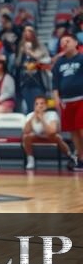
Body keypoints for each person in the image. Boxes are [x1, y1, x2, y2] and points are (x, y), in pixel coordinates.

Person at [52, 35, 83, 171]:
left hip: (81, 99)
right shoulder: (59, 63)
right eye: (62, 42)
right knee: (74, 132)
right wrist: (56, 98)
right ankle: (81, 159)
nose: (64, 44)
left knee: (82, 130)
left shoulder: (82, 58)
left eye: (67, 41)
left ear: (76, 42)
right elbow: (55, 84)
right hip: (66, 102)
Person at [23, 95, 75, 170]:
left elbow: (52, 131)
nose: (39, 106)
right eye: (37, 104)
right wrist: (33, 117)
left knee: (56, 137)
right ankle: (30, 159)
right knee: (26, 137)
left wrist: (42, 119)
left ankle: (70, 156)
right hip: (37, 137)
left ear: (46, 105)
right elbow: (26, 131)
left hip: (51, 137)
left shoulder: (52, 114)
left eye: (42, 103)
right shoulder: (30, 115)